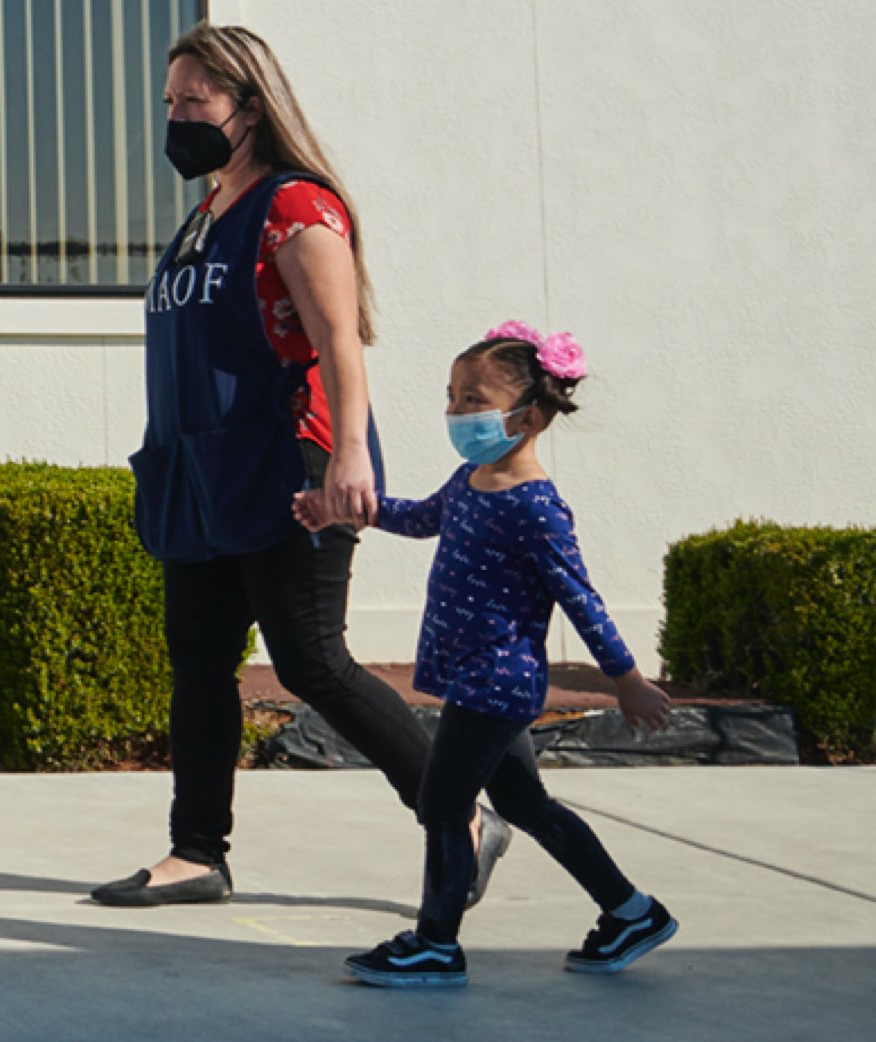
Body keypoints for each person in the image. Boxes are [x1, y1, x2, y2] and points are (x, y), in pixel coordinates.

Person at [106, 23, 511, 908]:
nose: (177, 118)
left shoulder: (295, 205)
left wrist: (349, 457)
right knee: (199, 664)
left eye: (195, 101)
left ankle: (463, 818)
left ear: (250, 108)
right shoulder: (205, 216)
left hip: (287, 463)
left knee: (312, 661)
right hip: (199, 473)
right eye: (170, 102)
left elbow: (338, 339)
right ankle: (196, 853)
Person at [301, 323, 680, 988]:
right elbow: (422, 517)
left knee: (442, 803)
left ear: (528, 418)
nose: (456, 411)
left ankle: (435, 944)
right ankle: (631, 912)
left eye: (473, 400)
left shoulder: (537, 508)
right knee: (528, 806)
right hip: (475, 680)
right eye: (452, 397)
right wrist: (350, 510)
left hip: (497, 684)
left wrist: (627, 680)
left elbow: (581, 598)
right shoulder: (471, 478)